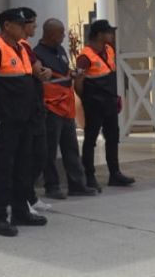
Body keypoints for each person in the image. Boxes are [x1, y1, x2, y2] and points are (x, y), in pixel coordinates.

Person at [0, 7, 49, 236]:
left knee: (22, 169)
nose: (24, 28)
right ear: (7, 26)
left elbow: (33, 75)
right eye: (19, 25)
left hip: (25, 119)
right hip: (5, 120)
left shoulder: (22, 49)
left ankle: (20, 212)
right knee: (3, 170)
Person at [34, 18, 98, 199]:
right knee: (49, 150)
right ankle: (51, 186)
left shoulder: (60, 51)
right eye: (61, 32)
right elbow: (40, 79)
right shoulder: (37, 54)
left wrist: (73, 74)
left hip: (66, 107)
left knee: (71, 148)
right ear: (51, 34)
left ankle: (77, 184)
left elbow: (63, 72)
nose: (63, 36)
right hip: (50, 108)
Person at [75, 19, 135, 189]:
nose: (112, 35)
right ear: (99, 35)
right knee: (91, 140)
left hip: (109, 102)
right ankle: (89, 175)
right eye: (109, 32)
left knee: (112, 138)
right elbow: (78, 83)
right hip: (94, 104)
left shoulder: (108, 50)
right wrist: (86, 99)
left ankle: (115, 174)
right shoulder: (85, 56)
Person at [20, 9, 52, 214]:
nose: (35, 27)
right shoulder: (11, 48)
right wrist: (41, 71)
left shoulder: (25, 47)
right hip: (23, 110)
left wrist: (44, 71)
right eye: (32, 23)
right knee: (26, 157)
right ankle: (22, 199)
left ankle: (30, 196)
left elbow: (39, 69)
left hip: (35, 108)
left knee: (40, 154)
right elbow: (37, 70)